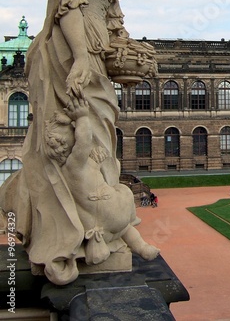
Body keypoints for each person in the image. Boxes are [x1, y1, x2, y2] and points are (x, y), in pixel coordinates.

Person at [0, 0, 157, 285]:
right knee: (72, 135)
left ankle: (104, 228)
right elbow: (68, 8)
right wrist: (83, 57)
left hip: (96, 58)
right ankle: (73, 237)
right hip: (68, 54)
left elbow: (112, 17)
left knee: (100, 136)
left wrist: (124, 43)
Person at [44, 96, 159, 278]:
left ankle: (141, 248)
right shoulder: (75, 163)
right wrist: (81, 117)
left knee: (124, 229)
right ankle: (142, 247)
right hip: (112, 210)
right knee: (126, 219)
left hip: (95, 226)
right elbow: (84, 141)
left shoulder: (66, 170)